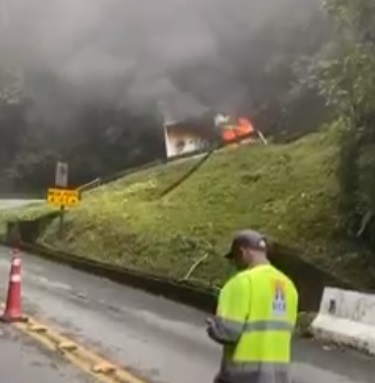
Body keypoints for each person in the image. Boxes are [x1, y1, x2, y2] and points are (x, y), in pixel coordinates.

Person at [206, 229, 298, 383]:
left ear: (242, 252)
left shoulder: (242, 282)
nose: (235, 264)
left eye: (234, 258)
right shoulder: (289, 286)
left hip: (244, 376)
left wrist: (213, 327)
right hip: (279, 376)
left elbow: (228, 332)